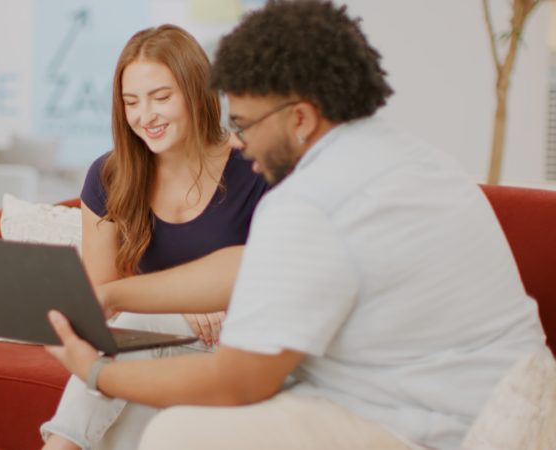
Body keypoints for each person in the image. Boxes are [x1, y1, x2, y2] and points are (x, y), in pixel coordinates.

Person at [44, 1, 549, 449]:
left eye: (243, 124)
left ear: (300, 119)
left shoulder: (312, 201)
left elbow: (236, 381)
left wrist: (98, 373)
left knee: (180, 434)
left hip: (449, 428)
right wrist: (115, 298)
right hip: (524, 397)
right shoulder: (413, 157)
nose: (238, 144)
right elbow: (241, 270)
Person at [40, 25, 269, 450]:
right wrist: (185, 301)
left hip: (236, 344)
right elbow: (100, 296)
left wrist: (204, 298)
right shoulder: (109, 176)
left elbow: (276, 279)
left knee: (136, 325)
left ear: (197, 91)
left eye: (160, 97)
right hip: (154, 346)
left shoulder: (253, 167)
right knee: (134, 386)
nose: (145, 116)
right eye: (131, 102)